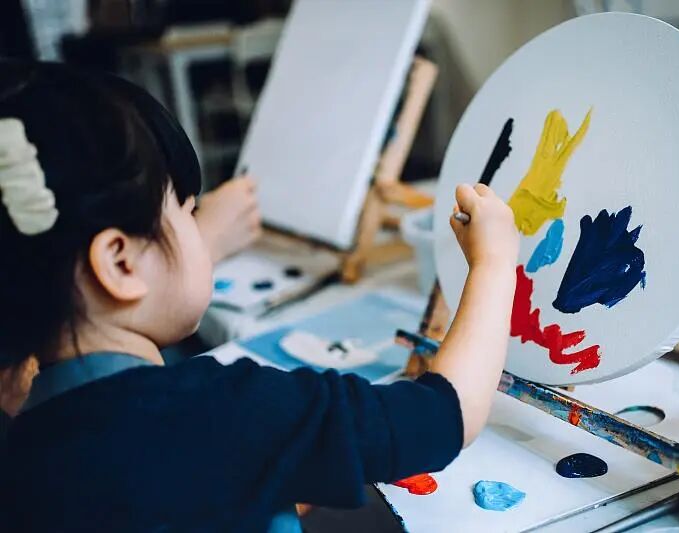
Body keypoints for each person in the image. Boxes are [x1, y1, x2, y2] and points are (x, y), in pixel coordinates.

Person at [0, 62, 519, 532]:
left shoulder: (20, 452)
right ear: (120, 263)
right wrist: (493, 263)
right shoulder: (227, 412)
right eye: (188, 211)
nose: (199, 227)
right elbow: (443, 416)